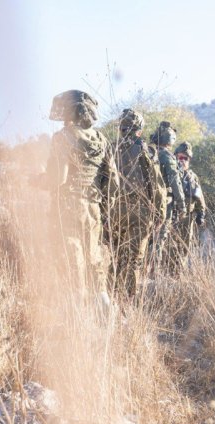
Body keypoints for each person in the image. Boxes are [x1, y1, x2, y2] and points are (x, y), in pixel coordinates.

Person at [44, 90, 118, 305]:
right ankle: (104, 307)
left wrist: (40, 180)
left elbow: (58, 178)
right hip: (94, 205)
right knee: (94, 257)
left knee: (72, 255)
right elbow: (112, 180)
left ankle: (75, 311)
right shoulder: (101, 139)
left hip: (69, 204)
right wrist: (104, 206)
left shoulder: (63, 137)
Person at [108, 108, 167, 299]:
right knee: (133, 260)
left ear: (121, 128)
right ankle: (125, 303)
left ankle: (111, 299)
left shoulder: (110, 148)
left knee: (115, 258)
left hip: (114, 211)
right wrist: (160, 214)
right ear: (139, 130)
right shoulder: (146, 150)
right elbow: (157, 186)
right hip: (139, 212)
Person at [164, 141, 206, 273]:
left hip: (187, 219)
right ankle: (163, 276)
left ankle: (176, 275)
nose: (183, 161)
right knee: (167, 248)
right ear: (175, 157)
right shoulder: (170, 174)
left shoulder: (193, 177)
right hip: (171, 216)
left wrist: (201, 213)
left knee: (183, 249)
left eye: (186, 158)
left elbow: (199, 197)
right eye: (180, 157)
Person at [150, 121, 186, 269]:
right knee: (159, 239)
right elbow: (175, 182)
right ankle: (152, 273)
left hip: (147, 201)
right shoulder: (167, 157)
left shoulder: (148, 152)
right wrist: (182, 204)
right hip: (164, 203)